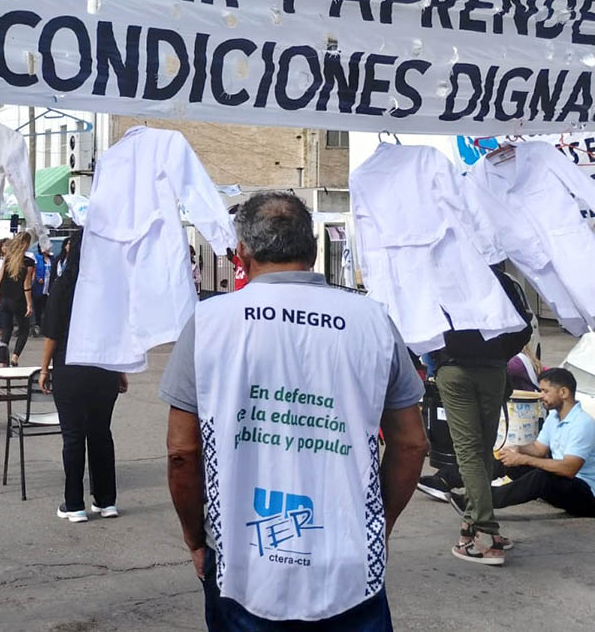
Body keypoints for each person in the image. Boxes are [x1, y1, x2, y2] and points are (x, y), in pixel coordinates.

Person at [159, 192, 426, 630]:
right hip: (349, 563)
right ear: (314, 248)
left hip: (243, 566)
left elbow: (181, 453)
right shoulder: (372, 320)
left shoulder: (209, 322)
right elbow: (412, 444)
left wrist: (195, 538)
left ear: (242, 252)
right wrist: (380, 521)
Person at [429, 265, 532, 565]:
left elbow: (420, 323)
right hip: (492, 370)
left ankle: (484, 532)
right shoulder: (502, 280)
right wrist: (499, 353)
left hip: (455, 368)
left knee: (470, 453)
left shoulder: (441, 277)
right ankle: (472, 524)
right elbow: (524, 326)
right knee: (482, 452)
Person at [40, 230, 127, 522]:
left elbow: (52, 334)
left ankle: (74, 504)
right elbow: (119, 333)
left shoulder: (64, 286)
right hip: (104, 368)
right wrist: (120, 370)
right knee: (101, 434)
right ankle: (106, 501)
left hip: (70, 366)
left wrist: (44, 369)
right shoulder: (110, 289)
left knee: (73, 436)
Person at [450, 368, 595, 519]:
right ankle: (446, 480)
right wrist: (517, 450)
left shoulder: (583, 424)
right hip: (561, 482)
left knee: (541, 476)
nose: (541, 396)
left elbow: (569, 469)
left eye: (546, 391)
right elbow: (539, 449)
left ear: (563, 393)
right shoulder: (554, 417)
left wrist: (523, 458)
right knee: (508, 459)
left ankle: (478, 502)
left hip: (586, 495)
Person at [0, 231, 34, 365]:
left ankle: (2, 362)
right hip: (18, 299)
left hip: (5, 297)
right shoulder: (28, 262)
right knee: (24, 330)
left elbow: (0, 279)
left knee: (6, 331)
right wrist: (29, 304)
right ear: (27, 245)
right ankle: (15, 357)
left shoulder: (7, 259)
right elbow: (26, 284)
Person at [31, 249, 52, 336]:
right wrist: (37, 278)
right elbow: (34, 271)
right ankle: (37, 326)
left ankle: (45, 327)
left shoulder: (52, 259)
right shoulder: (37, 258)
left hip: (48, 287)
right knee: (38, 308)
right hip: (39, 287)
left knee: (47, 308)